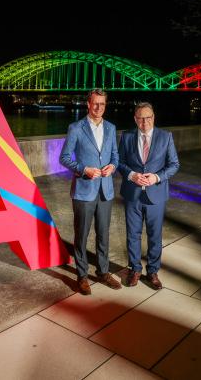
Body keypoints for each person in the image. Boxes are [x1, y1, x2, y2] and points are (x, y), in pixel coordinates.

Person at [60, 88, 121, 295]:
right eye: (95, 103)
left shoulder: (111, 128)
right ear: (88, 104)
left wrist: (112, 167)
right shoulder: (76, 128)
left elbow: (115, 156)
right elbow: (65, 157)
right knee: (82, 235)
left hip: (106, 190)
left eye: (102, 104)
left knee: (103, 234)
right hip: (84, 190)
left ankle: (103, 272)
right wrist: (83, 169)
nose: (98, 108)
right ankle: (82, 275)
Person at [117, 102, 179, 290]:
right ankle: (135, 269)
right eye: (141, 118)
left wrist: (157, 177)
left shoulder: (165, 136)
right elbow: (119, 162)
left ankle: (152, 271)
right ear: (135, 119)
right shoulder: (127, 137)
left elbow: (174, 164)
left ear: (154, 118)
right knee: (132, 234)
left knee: (155, 235)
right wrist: (131, 175)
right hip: (132, 193)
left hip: (156, 195)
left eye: (148, 117)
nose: (145, 121)